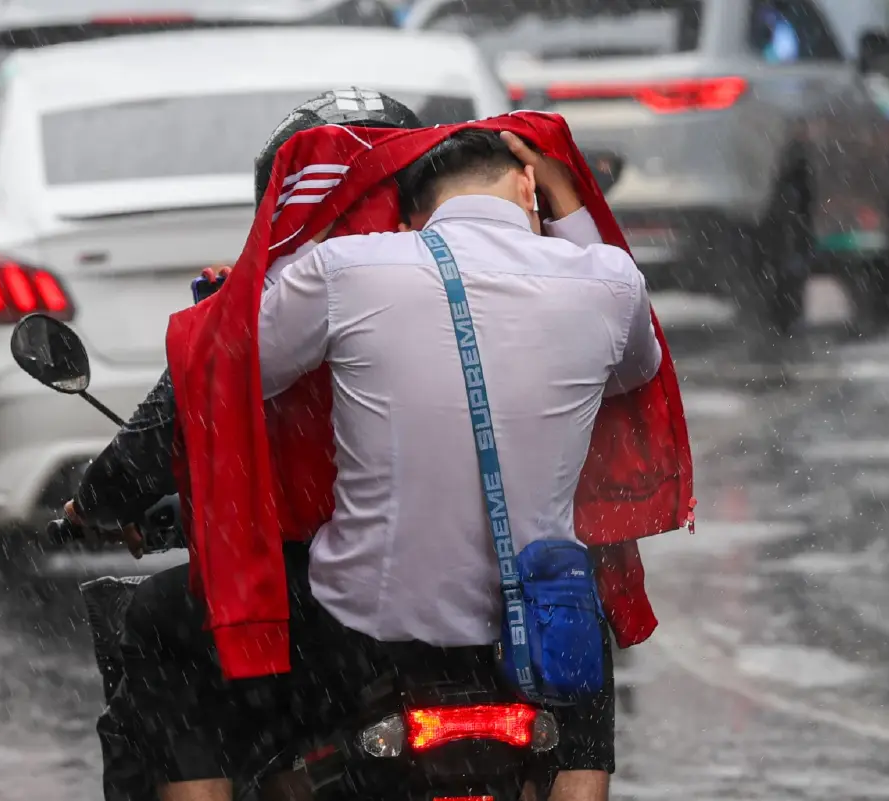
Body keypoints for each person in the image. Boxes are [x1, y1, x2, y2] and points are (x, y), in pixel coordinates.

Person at [225, 127, 663, 801]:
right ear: (526, 187)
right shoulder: (608, 281)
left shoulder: (346, 267)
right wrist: (567, 197)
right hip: (532, 627)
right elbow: (639, 369)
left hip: (365, 628)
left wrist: (299, 246)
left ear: (408, 219)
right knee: (584, 640)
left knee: (161, 629)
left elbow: (245, 364)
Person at [68, 90, 428, 801]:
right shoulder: (492, 287)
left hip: (320, 610)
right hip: (474, 598)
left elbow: (147, 450)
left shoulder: (254, 309)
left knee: (151, 621)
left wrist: (95, 505)